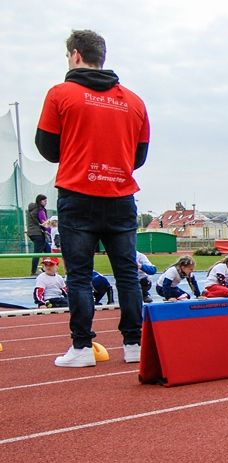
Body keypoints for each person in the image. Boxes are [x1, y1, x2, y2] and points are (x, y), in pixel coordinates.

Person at [36, 29, 150, 367]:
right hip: (120, 195)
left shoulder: (60, 94)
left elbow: (47, 148)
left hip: (78, 194)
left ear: (74, 55)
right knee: (127, 273)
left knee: (80, 275)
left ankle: (82, 349)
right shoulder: (135, 101)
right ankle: (134, 345)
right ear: (101, 56)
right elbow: (138, 157)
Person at [25, 194, 50, 275]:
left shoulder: (32, 209)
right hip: (37, 234)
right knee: (37, 253)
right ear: (40, 201)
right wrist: (52, 231)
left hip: (32, 233)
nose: (46, 202)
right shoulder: (40, 210)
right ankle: (33, 271)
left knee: (48, 250)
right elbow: (45, 223)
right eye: (44, 201)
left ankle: (44, 269)